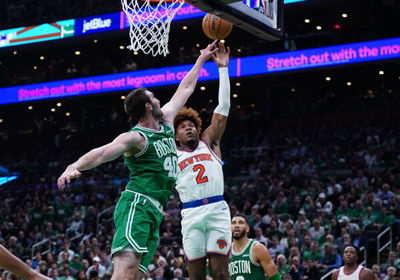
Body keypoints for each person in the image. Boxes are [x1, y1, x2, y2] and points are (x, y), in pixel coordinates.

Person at [57, 41, 220, 280]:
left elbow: (185, 89)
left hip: (155, 209)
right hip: (138, 204)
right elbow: (102, 152)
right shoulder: (136, 137)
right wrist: (74, 166)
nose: (157, 99)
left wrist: (200, 60)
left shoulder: (165, 121)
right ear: (147, 106)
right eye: (153, 97)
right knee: (125, 273)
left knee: (136, 276)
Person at [172, 41, 231, 280]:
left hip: (216, 209)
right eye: (183, 127)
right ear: (176, 135)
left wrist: (223, 69)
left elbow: (224, 106)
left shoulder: (210, 141)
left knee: (220, 273)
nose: (189, 130)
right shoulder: (172, 155)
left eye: (191, 126)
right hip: (191, 213)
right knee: (195, 276)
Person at [229, 214, 281, 280]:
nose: (236, 226)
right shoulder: (226, 251)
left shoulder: (258, 248)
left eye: (241, 222)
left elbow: (275, 277)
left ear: (247, 228)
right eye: (233, 223)